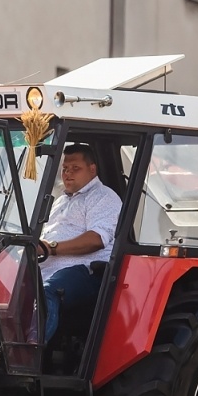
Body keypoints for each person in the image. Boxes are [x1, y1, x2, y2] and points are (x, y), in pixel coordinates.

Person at [36, 144, 121, 344]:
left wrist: (51, 248)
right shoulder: (61, 201)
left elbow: (96, 239)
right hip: (46, 269)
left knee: (46, 291)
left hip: (85, 271)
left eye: (76, 168)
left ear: (92, 169)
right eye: (65, 169)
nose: (68, 174)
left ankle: (28, 356)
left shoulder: (103, 197)